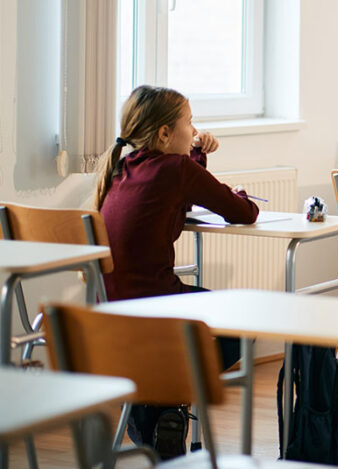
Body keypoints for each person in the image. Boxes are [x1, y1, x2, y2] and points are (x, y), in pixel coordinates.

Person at [94, 85, 257, 458]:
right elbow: (241, 213)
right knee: (248, 323)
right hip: (159, 303)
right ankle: (166, 399)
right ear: (165, 133)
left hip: (114, 310)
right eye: (190, 122)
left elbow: (179, 191)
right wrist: (243, 194)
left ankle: (155, 406)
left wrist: (196, 153)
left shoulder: (121, 167)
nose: (194, 128)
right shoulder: (176, 168)